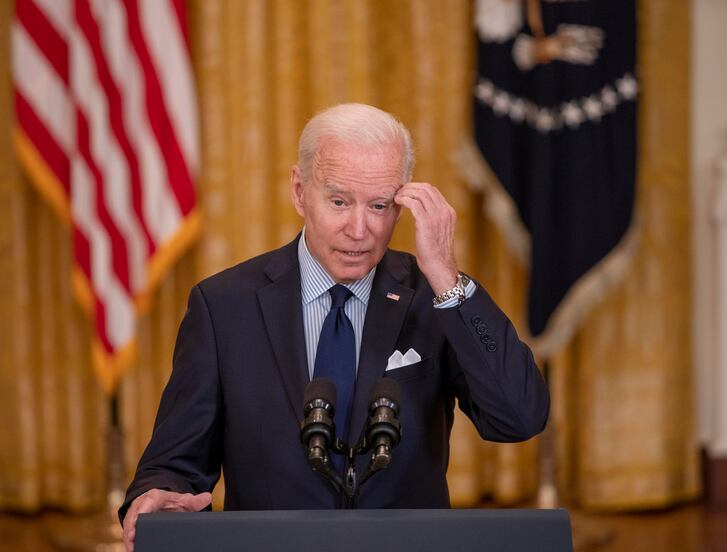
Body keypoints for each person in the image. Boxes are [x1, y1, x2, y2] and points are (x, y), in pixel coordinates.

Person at [119, 103, 549, 551]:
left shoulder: (434, 297)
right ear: (300, 191)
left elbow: (518, 416)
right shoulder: (224, 306)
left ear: (400, 208)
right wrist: (158, 499)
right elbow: (176, 462)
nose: (359, 229)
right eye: (340, 201)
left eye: (379, 205)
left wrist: (447, 276)